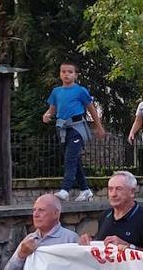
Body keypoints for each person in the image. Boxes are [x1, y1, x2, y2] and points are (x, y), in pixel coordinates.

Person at [42, 61, 104, 201]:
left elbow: (91, 108)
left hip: (77, 127)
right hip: (62, 129)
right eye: (63, 71)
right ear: (60, 74)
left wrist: (99, 126)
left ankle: (65, 189)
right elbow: (52, 109)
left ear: (76, 75)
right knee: (74, 161)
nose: (66, 74)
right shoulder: (56, 92)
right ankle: (85, 189)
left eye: (70, 72)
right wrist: (47, 115)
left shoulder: (80, 91)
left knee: (70, 158)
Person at [78, 171, 143, 249]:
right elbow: (101, 245)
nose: (113, 194)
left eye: (118, 189)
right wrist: (89, 241)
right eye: (110, 189)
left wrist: (128, 247)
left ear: (132, 192)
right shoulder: (105, 216)